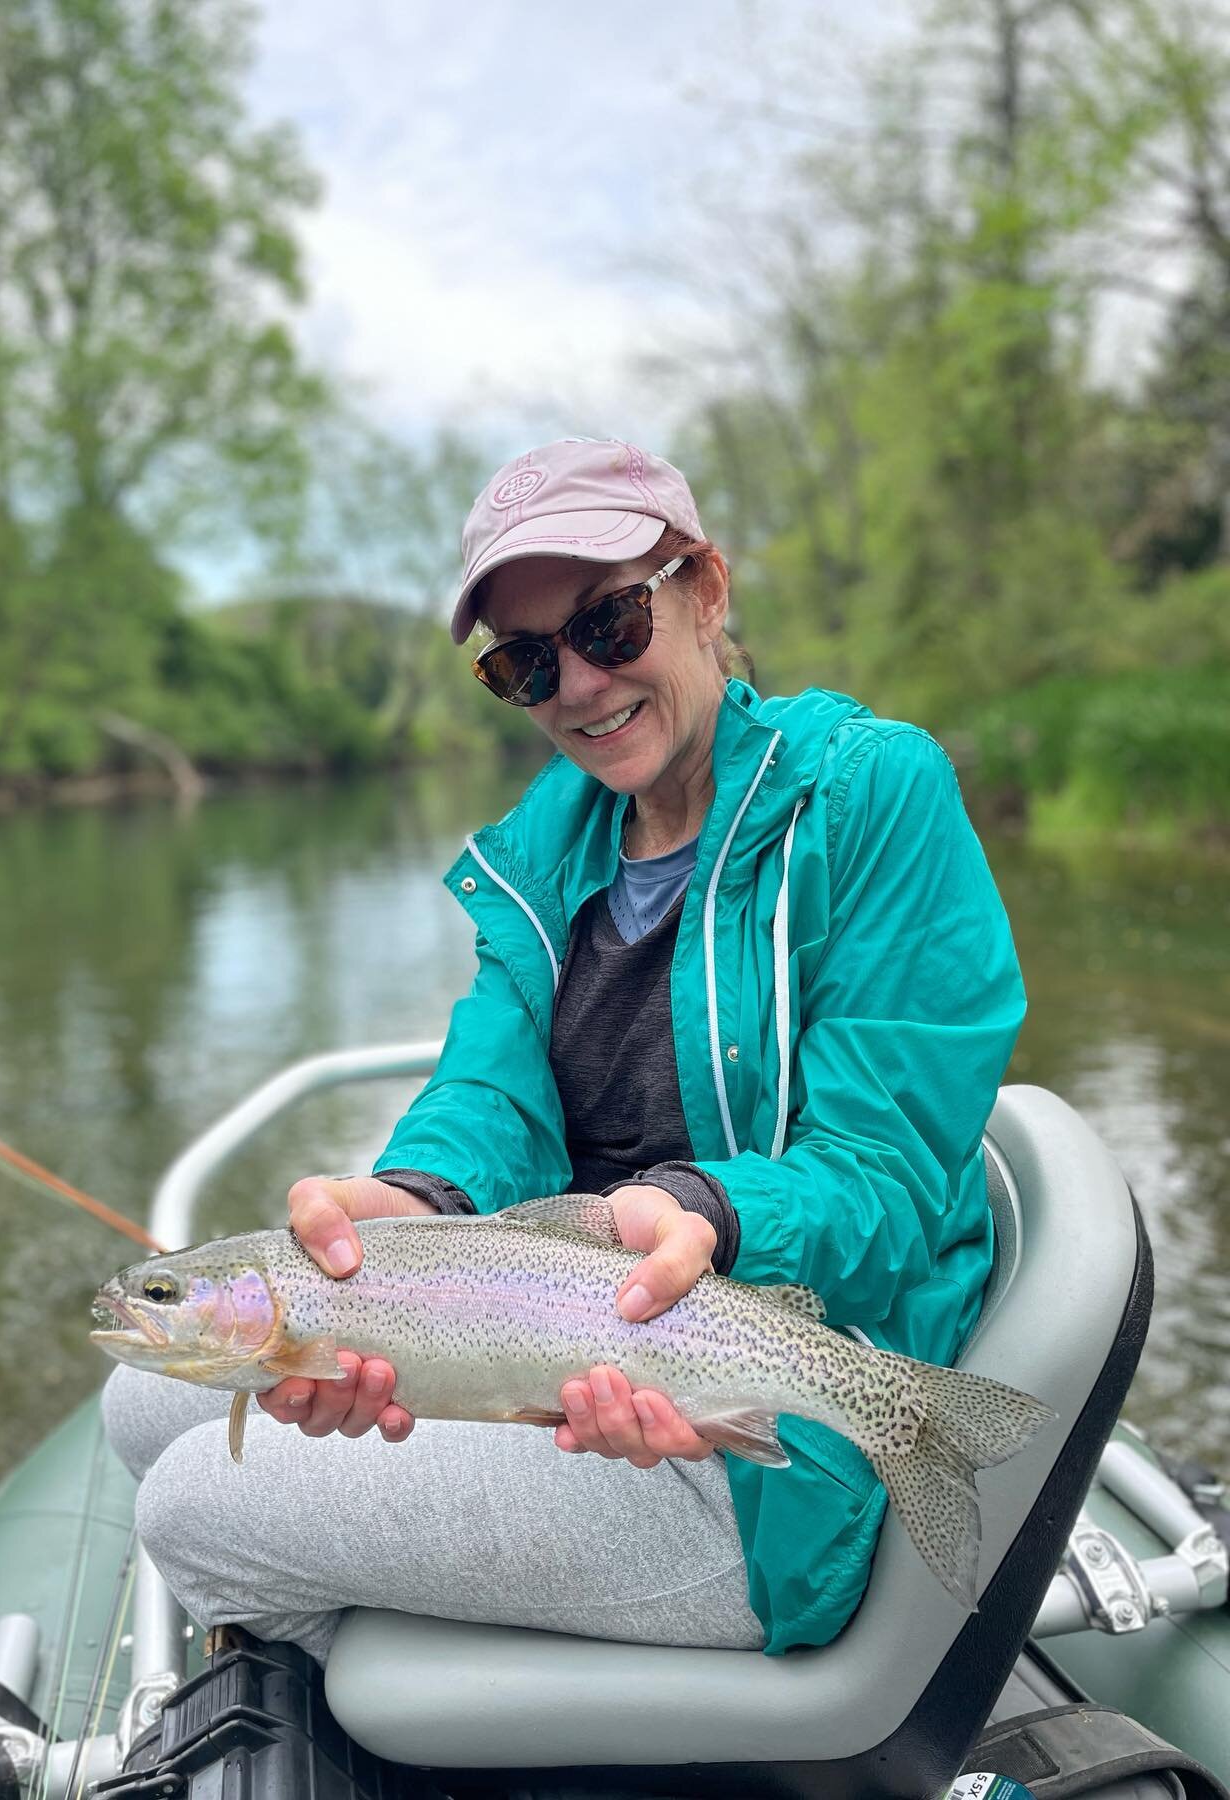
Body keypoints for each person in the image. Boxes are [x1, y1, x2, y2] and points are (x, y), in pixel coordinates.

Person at [104, 437, 1025, 1660]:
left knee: (191, 1514)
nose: (578, 689)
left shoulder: (870, 795)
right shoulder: (546, 851)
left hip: (779, 1428)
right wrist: (404, 1202)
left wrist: (711, 1214)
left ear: (705, 591)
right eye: (526, 664)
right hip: (576, 1350)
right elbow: (488, 1091)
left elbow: (888, 1175)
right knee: (142, 1399)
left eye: (609, 623)